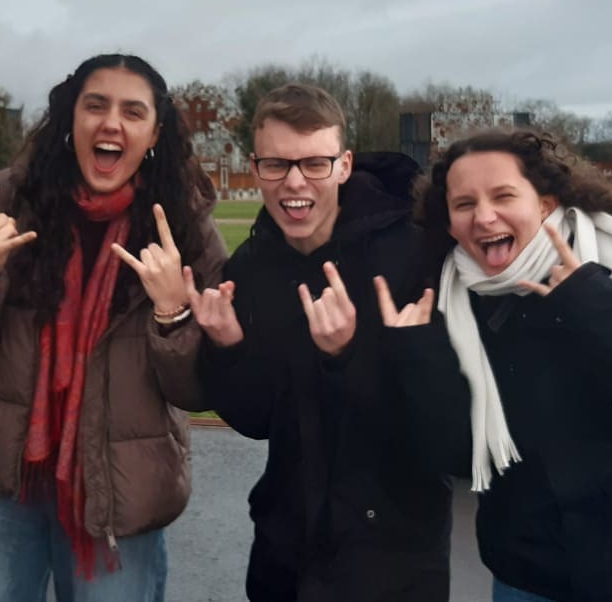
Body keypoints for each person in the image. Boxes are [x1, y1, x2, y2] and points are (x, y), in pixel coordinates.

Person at [381, 129, 612, 602]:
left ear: (545, 204)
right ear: (449, 223)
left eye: (503, 195)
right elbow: (459, 455)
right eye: (464, 204)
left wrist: (589, 298)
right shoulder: (452, 302)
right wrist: (416, 354)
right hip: (532, 576)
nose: (484, 216)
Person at [0, 53, 227, 602]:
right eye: (96, 105)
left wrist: (172, 313)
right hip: (7, 480)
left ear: (154, 134)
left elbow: (197, 391)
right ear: (72, 117)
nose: (111, 123)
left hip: (121, 491)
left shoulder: (183, 224)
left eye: (132, 112)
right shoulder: (13, 199)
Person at [193, 84, 451, 601]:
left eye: (315, 163)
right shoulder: (250, 267)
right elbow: (256, 420)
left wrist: (346, 356)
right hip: (285, 554)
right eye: (276, 164)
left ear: (344, 165)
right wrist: (228, 347)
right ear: (256, 167)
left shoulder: (414, 253)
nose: (294, 182)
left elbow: (443, 424)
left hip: (393, 560)